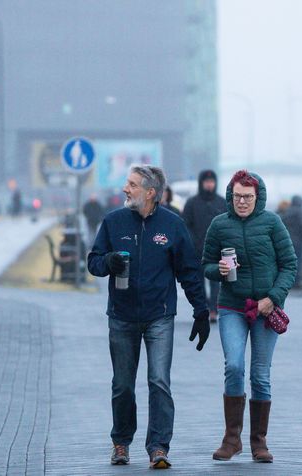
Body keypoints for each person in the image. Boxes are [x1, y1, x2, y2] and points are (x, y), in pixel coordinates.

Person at [88, 164, 210, 469]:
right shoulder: (113, 222)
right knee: (123, 384)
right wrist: (109, 262)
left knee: (158, 381)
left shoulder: (172, 224)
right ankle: (121, 443)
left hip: (160, 316)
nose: (125, 189)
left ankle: (158, 448)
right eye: (127, 183)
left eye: (132, 184)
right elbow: (93, 262)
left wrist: (201, 310)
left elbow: (189, 271)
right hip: (122, 316)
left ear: (151, 192)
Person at [202, 170, 297, 463]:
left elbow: (290, 266)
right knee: (233, 366)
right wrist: (215, 270)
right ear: (231, 196)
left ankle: (259, 442)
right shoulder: (219, 225)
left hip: (266, 308)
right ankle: (232, 439)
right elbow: (204, 264)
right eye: (238, 196)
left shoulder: (272, 223)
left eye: (248, 197)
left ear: (258, 197)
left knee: (260, 375)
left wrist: (273, 298)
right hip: (231, 305)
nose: (242, 202)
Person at [183, 169, 227, 322]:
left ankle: (214, 309)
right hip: (197, 250)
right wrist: (193, 242)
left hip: (217, 251)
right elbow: (186, 225)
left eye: (212, 182)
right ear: (201, 183)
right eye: (207, 182)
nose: (209, 184)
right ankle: (204, 308)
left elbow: (228, 224)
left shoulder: (222, 202)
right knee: (199, 282)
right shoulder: (192, 203)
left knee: (216, 281)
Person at [279, 195, 302, 285]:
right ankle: (296, 281)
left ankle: (286, 280)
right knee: (298, 260)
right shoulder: (299, 211)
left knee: (287, 261)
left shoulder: (287, 211)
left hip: (286, 241)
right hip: (298, 242)